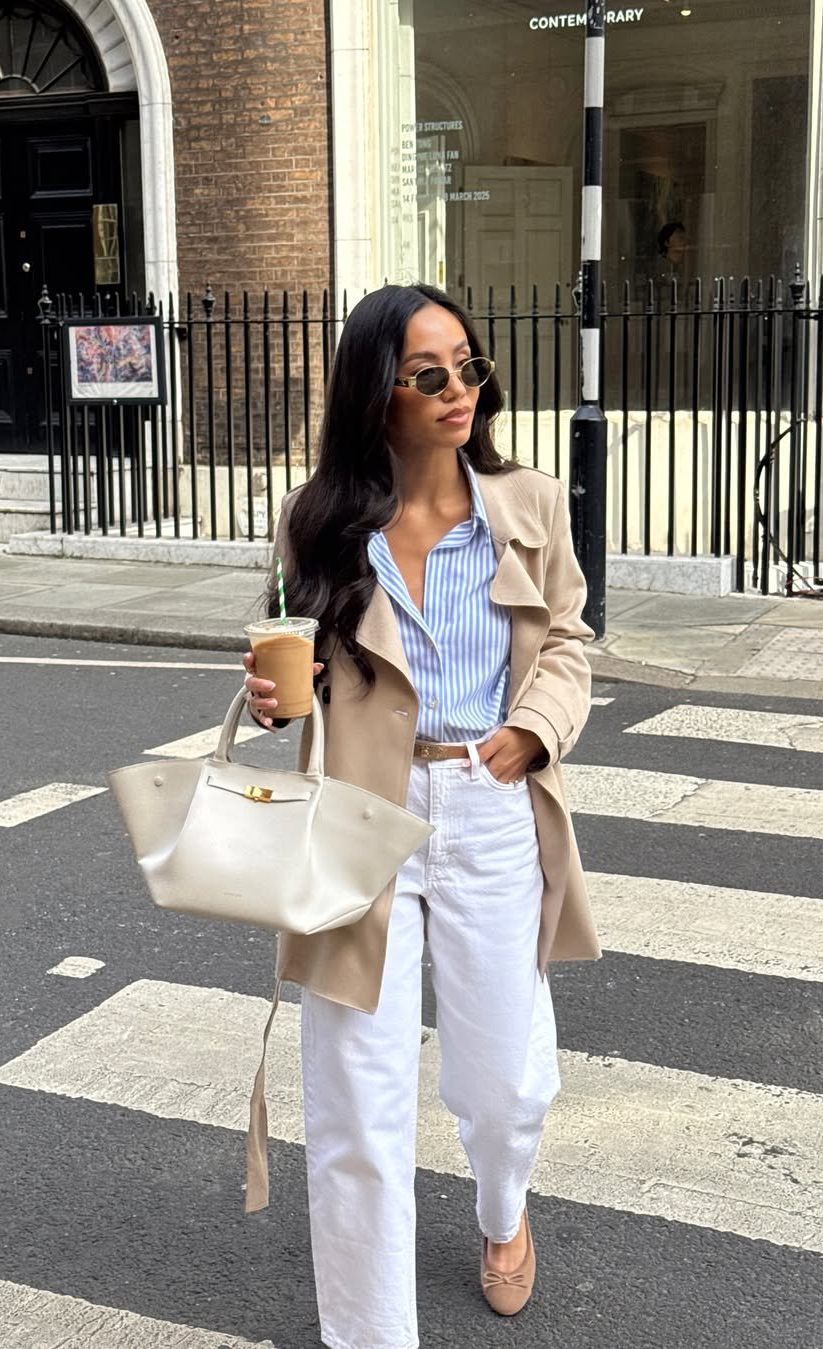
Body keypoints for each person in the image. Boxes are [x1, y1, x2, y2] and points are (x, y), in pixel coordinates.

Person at [241, 283, 600, 1349]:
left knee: (503, 1081)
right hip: (361, 817)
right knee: (357, 1105)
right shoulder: (318, 522)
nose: (458, 389)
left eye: (468, 367)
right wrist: (270, 701)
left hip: (488, 802)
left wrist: (533, 728)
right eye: (427, 374)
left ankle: (502, 1203)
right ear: (376, 393)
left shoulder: (528, 505)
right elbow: (289, 660)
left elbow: (569, 640)